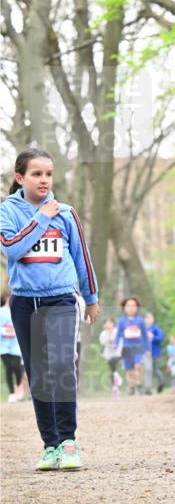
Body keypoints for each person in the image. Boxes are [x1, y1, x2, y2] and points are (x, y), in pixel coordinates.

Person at [0, 147, 99, 469]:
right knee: (39, 374)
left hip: (60, 298)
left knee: (60, 366)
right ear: (20, 178)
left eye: (49, 174)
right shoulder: (8, 212)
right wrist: (41, 217)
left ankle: (69, 441)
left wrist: (92, 297)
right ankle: (50, 445)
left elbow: (82, 256)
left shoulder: (66, 213)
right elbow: (12, 249)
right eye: (36, 174)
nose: (44, 180)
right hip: (24, 302)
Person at [115, 297, 149, 396]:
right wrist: (117, 348)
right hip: (126, 347)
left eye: (133, 306)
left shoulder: (140, 320)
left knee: (138, 366)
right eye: (128, 306)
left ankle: (139, 384)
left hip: (138, 346)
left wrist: (147, 349)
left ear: (137, 308)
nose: (131, 308)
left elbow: (145, 336)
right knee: (129, 368)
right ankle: (131, 386)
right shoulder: (121, 321)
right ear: (124, 308)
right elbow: (118, 335)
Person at [0, 289, 26, 402]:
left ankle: (18, 390)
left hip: (16, 346)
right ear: (6, 298)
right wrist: (6, 331)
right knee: (9, 367)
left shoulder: (17, 311)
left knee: (18, 368)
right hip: (4, 346)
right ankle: (11, 393)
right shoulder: (1, 311)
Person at [99, 316, 122, 398]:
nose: (108, 325)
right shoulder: (103, 334)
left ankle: (117, 381)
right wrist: (108, 338)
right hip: (109, 354)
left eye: (110, 323)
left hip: (118, 353)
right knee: (112, 370)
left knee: (113, 364)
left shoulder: (117, 332)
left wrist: (118, 351)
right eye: (106, 323)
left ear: (113, 324)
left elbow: (121, 342)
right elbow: (102, 342)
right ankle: (115, 388)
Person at [144, 311, 165, 394]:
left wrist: (153, 337)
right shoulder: (143, 329)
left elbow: (160, 338)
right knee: (147, 370)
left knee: (155, 370)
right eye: (147, 318)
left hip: (155, 352)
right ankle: (148, 388)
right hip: (145, 353)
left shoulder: (155, 328)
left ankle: (161, 382)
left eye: (151, 318)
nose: (149, 320)